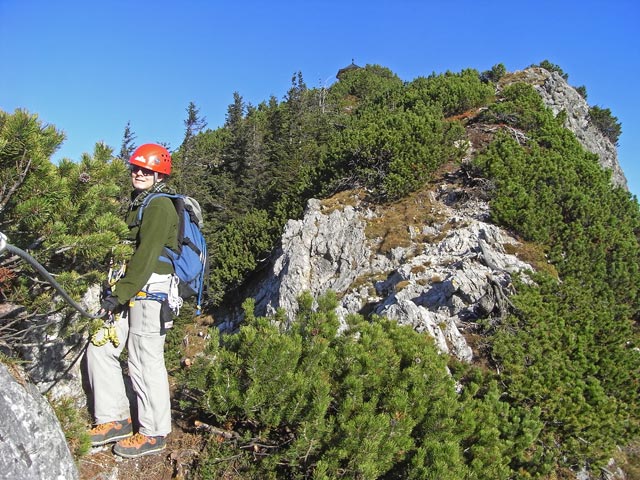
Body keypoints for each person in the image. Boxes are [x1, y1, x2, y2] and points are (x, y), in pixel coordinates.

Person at [85, 143, 179, 458]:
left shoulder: (160, 206)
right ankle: (114, 418)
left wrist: (118, 296)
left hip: (150, 292)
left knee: (144, 359)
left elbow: (146, 257)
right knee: (101, 346)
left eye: (146, 170)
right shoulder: (139, 203)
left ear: (159, 174)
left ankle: (154, 433)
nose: (139, 173)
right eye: (136, 168)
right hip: (128, 288)